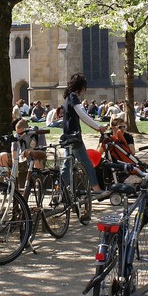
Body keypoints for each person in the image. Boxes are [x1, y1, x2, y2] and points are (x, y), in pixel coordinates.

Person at [60, 72, 107, 200]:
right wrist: (98, 127)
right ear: (80, 87)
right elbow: (82, 115)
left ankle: (59, 191)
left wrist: (96, 127)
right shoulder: (73, 97)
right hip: (74, 137)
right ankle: (97, 190)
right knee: (86, 163)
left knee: (67, 166)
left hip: (67, 135)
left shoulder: (68, 97)